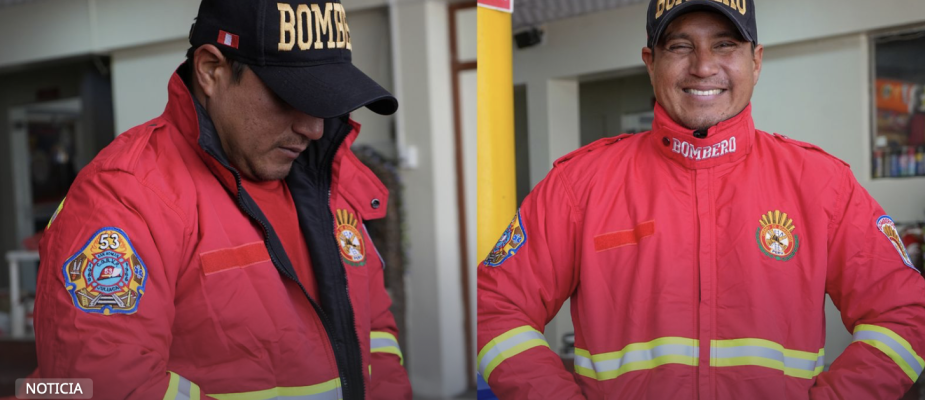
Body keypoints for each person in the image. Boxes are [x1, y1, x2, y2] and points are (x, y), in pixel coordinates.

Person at [476, 0, 925, 399]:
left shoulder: (822, 183)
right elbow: (496, 308)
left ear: (756, 60)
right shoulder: (580, 184)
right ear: (650, 63)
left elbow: (904, 312)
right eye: (680, 47)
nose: (704, 66)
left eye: (725, 44)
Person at [32, 0, 411, 399]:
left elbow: (375, 335)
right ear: (211, 70)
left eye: (326, 99)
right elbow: (100, 385)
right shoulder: (125, 197)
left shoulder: (333, 182)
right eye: (290, 97)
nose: (314, 128)